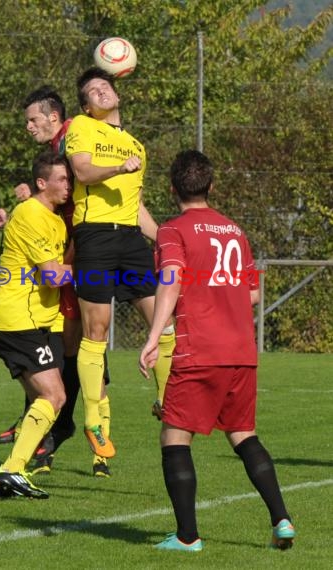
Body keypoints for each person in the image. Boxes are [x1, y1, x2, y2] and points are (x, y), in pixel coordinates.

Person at [139, 149, 296, 551]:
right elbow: (254, 292)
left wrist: (154, 336)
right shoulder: (235, 231)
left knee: (175, 437)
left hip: (200, 350)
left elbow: (171, 281)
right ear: (211, 185)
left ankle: (188, 537)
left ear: (173, 187)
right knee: (244, 434)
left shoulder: (174, 230)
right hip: (241, 351)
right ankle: (282, 520)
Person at [0, 85, 112, 477]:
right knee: (65, 365)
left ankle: (77, 440)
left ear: (55, 117)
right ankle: (44, 435)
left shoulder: (77, 137)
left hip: (53, 289)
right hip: (29, 308)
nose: (28, 126)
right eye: (60, 180)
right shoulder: (47, 184)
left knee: (82, 357)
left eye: (33, 119)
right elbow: (45, 252)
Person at [65, 67, 175, 458]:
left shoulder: (137, 146)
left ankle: (165, 400)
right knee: (96, 331)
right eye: (93, 91)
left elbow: (137, 206)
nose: (102, 92)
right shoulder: (81, 127)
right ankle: (94, 420)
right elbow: (82, 170)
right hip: (94, 234)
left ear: (117, 93)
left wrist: (168, 240)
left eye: (105, 86)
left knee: (164, 322)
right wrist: (116, 167)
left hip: (130, 238)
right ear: (86, 106)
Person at [0, 150, 72, 499]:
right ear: (41, 183)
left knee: (49, 397)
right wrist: (98, 269)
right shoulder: (32, 213)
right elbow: (52, 275)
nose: (68, 185)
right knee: (55, 395)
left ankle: (12, 471)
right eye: (62, 179)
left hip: (38, 319)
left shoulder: (53, 217)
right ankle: (12, 468)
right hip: (17, 318)